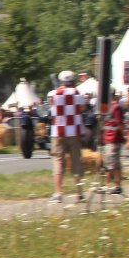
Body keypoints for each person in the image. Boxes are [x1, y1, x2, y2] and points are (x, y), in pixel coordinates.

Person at [48, 70, 86, 203]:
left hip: (58, 132)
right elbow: (82, 108)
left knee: (58, 161)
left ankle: (58, 193)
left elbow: (51, 108)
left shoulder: (53, 94)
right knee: (76, 161)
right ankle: (80, 192)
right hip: (74, 131)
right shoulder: (78, 93)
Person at [101, 89, 126, 194]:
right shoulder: (107, 107)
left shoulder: (116, 107)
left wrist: (124, 136)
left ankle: (117, 185)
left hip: (114, 139)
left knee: (114, 163)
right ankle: (107, 185)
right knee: (109, 163)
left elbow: (120, 123)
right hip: (108, 139)